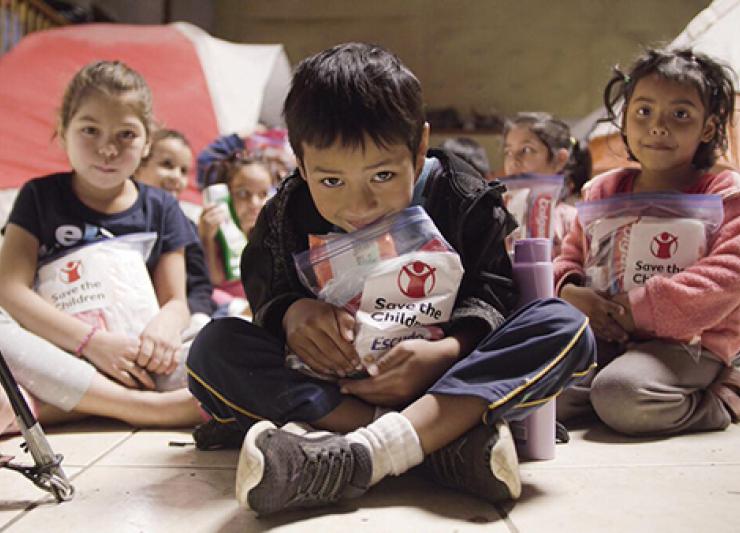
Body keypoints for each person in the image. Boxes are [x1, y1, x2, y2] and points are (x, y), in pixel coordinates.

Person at [186, 42, 595, 516]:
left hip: (444, 382)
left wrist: (447, 351)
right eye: (331, 181)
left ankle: (359, 454)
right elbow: (265, 288)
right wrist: (293, 311)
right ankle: (434, 446)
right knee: (214, 348)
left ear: (419, 148)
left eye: (382, 175)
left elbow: (494, 293)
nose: (359, 206)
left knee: (563, 326)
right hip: (342, 389)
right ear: (299, 162)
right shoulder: (287, 211)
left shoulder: (462, 196)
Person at [0, 60, 203, 430]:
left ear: (146, 143)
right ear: (62, 132)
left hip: (137, 360)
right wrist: (91, 343)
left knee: (221, 341)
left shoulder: (162, 207)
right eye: (90, 130)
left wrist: (162, 332)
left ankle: (56, 406)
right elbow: (9, 289)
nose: (107, 149)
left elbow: (176, 302)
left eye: (125, 134)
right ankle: (143, 408)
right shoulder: (39, 197)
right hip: (58, 352)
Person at [555, 47, 740, 436]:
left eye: (681, 114)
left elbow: (727, 276)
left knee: (621, 395)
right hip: (605, 335)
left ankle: (722, 398)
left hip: (692, 343)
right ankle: (610, 390)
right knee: (540, 391)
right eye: (643, 111)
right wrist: (571, 291)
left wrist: (634, 308)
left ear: (708, 128)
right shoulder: (601, 190)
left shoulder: (725, 192)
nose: (658, 126)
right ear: (624, 118)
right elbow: (570, 256)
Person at [134, 128, 217, 321]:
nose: (176, 176)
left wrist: (195, 314)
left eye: (183, 171)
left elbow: (200, 285)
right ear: (138, 166)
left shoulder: (185, 223)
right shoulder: (122, 215)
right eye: (167, 165)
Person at [503, 112, 592, 257]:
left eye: (526, 150)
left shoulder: (572, 220)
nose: (513, 161)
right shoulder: (500, 215)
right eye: (508, 151)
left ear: (559, 160)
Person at [198, 149, 273, 303]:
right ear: (225, 195)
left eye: (263, 194)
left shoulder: (273, 236)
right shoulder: (210, 231)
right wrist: (207, 239)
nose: (255, 204)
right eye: (243, 194)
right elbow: (214, 282)